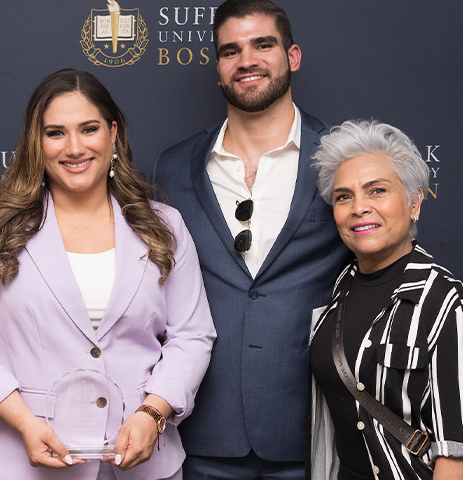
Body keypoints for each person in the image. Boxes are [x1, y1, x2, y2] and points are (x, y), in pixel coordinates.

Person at [0, 68, 216, 480]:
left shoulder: (165, 226)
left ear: (113, 133)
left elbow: (192, 336)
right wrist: (25, 421)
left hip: (142, 462)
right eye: (55, 132)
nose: (75, 147)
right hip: (22, 461)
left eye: (89, 129)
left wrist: (152, 414)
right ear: (37, 141)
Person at [152, 0, 352, 477]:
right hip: (202, 430)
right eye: (230, 50)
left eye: (263, 44)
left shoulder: (343, 156)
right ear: (218, 67)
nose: (247, 60)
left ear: (293, 55)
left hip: (311, 429)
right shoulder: (173, 167)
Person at [308, 119, 463, 479]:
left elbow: (457, 458)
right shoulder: (341, 286)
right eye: (344, 196)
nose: (359, 207)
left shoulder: (447, 304)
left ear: (414, 202)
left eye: (377, 191)